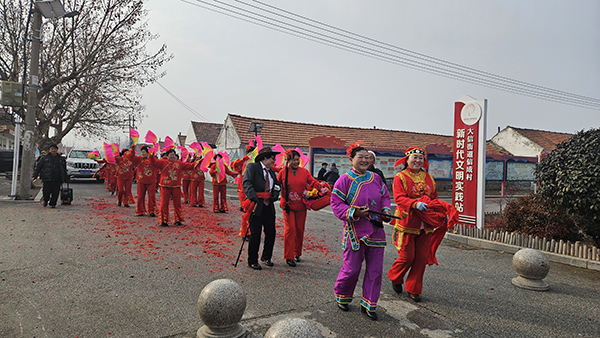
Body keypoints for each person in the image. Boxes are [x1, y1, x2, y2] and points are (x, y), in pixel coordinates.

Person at [331, 143, 391, 321]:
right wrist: (354, 212)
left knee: (375, 270)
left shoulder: (376, 178)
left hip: (376, 230)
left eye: (367, 157)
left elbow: (385, 197)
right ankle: (342, 295)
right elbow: (336, 203)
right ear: (351, 159)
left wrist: (386, 210)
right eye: (361, 157)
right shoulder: (344, 180)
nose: (365, 160)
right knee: (351, 269)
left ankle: (369, 304)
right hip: (354, 231)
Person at [387, 146, 440, 303]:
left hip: (426, 224)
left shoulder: (429, 177)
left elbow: (435, 198)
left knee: (420, 258)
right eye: (414, 158)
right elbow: (398, 198)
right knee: (407, 257)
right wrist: (415, 204)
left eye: (420, 158)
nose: (417, 161)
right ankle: (396, 278)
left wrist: (441, 209)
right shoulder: (400, 177)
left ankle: (414, 289)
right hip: (407, 222)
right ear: (407, 160)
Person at [243, 147, 281, 270]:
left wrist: (275, 195)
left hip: (268, 205)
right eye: (272, 158)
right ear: (265, 158)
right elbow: (247, 182)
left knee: (271, 233)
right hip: (256, 205)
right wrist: (253, 197)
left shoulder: (271, 172)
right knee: (255, 234)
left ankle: (266, 257)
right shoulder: (253, 167)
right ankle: (252, 260)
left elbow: (276, 185)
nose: (274, 161)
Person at [277, 149, 317, 267]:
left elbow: (313, 183)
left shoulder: (304, 172)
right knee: (291, 230)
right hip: (288, 206)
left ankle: (297, 253)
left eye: (297, 159)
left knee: (299, 230)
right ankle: (289, 256)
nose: (296, 162)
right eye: (293, 159)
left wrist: (321, 188)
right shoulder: (283, 172)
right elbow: (276, 184)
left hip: (301, 206)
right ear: (288, 160)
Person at [150, 148, 195, 226]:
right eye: (170, 155)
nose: (172, 156)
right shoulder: (162, 162)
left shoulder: (179, 163)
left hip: (176, 186)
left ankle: (177, 220)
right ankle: (163, 221)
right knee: (164, 203)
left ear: (175, 156)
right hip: (165, 186)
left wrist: (200, 162)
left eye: (173, 155)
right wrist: (151, 155)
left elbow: (190, 166)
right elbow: (154, 162)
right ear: (167, 156)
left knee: (177, 204)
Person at [230, 145, 255, 240]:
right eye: (250, 153)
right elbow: (233, 165)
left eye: (253, 153)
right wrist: (244, 159)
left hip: (253, 189)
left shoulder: (256, 163)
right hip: (242, 189)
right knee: (247, 212)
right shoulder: (242, 162)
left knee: (252, 212)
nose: (251, 155)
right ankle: (245, 233)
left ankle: (251, 231)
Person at [32, 144, 68, 208]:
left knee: (55, 192)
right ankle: (45, 200)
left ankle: (53, 203)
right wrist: (35, 175)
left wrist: (65, 177)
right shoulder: (44, 158)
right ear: (49, 150)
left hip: (57, 179)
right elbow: (38, 167)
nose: (53, 150)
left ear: (57, 150)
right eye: (52, 149)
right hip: (47, 178)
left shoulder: (61, 159)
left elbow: (64, 169)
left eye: (54, 149)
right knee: (46, 192)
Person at [131, 145, 158, 217]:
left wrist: (152, 155)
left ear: (148, 152)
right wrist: (133, 150)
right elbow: (132, 158)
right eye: (142, 152)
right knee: (140, 197)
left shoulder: (153, 159)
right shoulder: (139, 159)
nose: (143, 154)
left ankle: (151, 211)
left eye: (144, 152)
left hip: (151, 181)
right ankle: (140, 210)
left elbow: (156, 163)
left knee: (151, 197)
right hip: (141, 181)